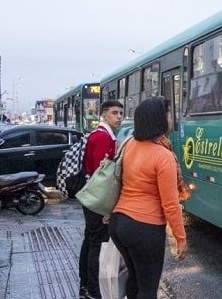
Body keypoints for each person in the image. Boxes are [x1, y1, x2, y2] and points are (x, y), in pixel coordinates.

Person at [109, 97, 187, 299]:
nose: (171, 118)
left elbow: (119, 182)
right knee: (148, 289)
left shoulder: (129, 145)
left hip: (119, 222)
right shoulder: (163, 156)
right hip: (144, 228)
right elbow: (170, 205)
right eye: (168, 114)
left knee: (135, 279)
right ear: (159, 120)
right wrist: (181, 239)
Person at [78, 100, 124, 299]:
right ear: (104, 115)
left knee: (90, 240)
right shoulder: (103, 138)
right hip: (98, 200)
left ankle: (85, 285)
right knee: (97, 244)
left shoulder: (99, 135)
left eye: (121, 113)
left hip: (91, 198)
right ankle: (93, 290)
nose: (119, 117)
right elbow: (103, 176)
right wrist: (108, 209)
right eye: (114, 113)